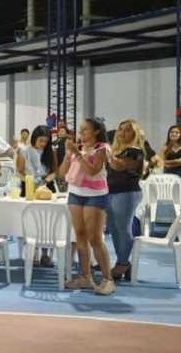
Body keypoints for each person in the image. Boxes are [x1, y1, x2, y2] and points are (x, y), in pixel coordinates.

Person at [58, 118, 115, 295]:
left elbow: (93, 171)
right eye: (80, 130)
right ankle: (85, 277)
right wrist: (69, 155)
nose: (81, 133)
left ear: (96, 131)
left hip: (95, 197)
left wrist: (78, 153)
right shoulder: (77, 148)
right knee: (80, 236)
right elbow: (62, 173)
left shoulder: (102, 149)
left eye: (85, 130)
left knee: (95, 238)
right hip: (75, 194)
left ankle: (108, 279)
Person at [105, 119, 147, 281]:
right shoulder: (116, 150)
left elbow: (118, 166)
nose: (122, 132)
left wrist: (106, 151)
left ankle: (122, 263)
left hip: (127, 193)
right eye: (120, 129)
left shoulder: (135, 151)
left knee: (124, 229)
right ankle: (123, 262)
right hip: (111, 193)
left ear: (134, 133)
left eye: (127, 130)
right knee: (114, 229)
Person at [17, 125, 59, 192]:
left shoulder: (51, 151)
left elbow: (56, 171)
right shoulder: (24, 151)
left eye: (46, 141)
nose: (43, 144)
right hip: (28, 185)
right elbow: (20, 172)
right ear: (34, 138)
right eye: (40, 140)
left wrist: (47, 179)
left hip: (46, 186)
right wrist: (30, 181)